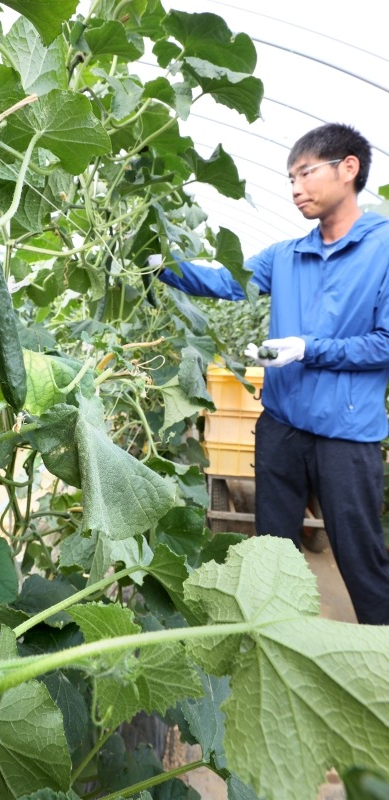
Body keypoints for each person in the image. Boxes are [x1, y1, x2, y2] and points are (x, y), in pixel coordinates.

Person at [155, 122, 389, 625]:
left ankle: (381, 652)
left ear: (348, 168)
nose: (295, 189)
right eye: (289, 179)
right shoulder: (287, 254)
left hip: (345, 434)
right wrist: (162, 264)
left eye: (305, 173)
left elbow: (385, 343)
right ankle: (272, 642)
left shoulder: (384, 249)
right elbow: (223, 279)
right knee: (272, 551)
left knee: (360, 556)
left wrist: (308, 348)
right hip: (281, 425)